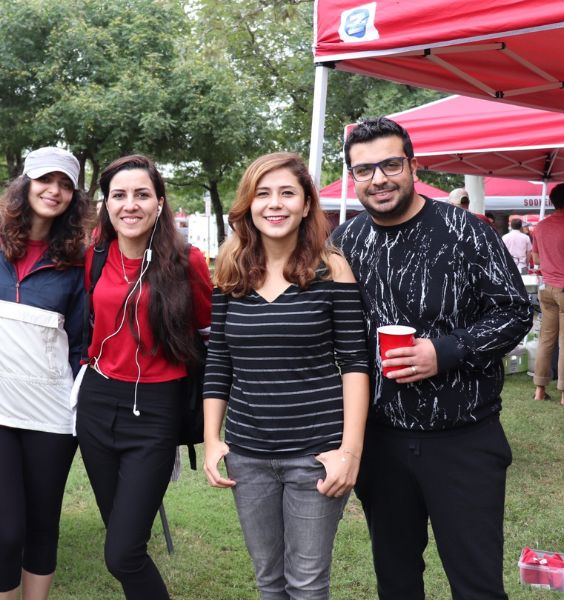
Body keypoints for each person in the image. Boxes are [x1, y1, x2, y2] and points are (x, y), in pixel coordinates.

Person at [332, 117, 532, 600]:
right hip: (381, 443)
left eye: (390, 164)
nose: (378, 178)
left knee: (477, 584)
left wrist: (444, 351)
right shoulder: (345, 242)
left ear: (412, 165)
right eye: (364, 170)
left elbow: (514, 311)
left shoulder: (467, 231)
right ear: (353, 178)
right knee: (396, 581)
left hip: (463, 440)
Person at [202, 152, 369, 599]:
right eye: (263, 194)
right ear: (249, 205)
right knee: (268, 580)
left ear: (306, 205)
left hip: (315, 455)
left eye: (287, 193)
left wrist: (348, 452)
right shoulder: (230, 271)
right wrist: (213, 440)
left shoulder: (332, 269)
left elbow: (355, 362)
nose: (274, 204)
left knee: (308, 584)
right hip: (248, 455)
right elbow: (218, 358)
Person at [77, 154, 213, 599]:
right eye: (119, 195)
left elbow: (212, 335)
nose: (129, 205)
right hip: (97, 404)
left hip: (157, 409)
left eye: (141, 195)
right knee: (123, 536)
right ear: (106, 203)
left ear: (159, 203)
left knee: (121, 553)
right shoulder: (95, 255)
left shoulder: (187, 261)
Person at [0, 147, 89, 600]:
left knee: (41, 525)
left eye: (65, 184)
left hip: (51, 412)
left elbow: (81, 338)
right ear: (25, 183)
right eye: (45, 180)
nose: (54, 191)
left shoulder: (77, 257)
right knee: (7, 531)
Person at [531, 183, 564, 405]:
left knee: (546, 339)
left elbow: (537, 260)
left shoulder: (540, 227)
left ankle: (540, 390)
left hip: (547, 287)